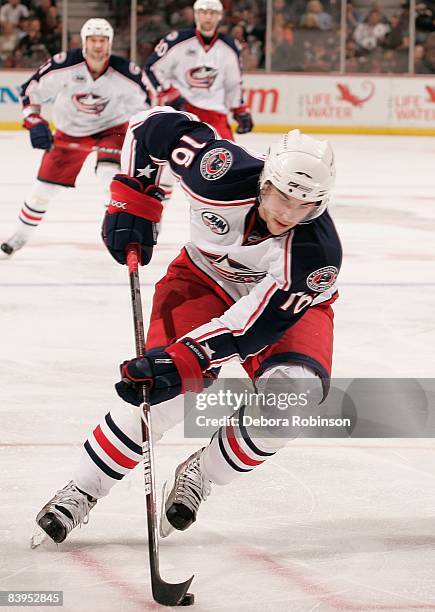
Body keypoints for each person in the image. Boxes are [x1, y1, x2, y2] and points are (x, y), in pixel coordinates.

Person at [31, 106, 342, 547]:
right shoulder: (219, 171)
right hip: (201, 278)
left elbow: (252, 327)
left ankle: (204, 473)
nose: (288, 213)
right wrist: (137, 194)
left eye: (305, 204)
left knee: (293, 399)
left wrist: (186, 357)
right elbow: (150, 126)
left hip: (284, 307)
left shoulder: (317, 255)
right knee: (165, 397)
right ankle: (83, 489)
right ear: (264, 181)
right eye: (280, 197)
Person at [1, 18, 151, 258]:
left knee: (109, 180)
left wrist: (144, 135)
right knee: (43, 191)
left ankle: (115, 233)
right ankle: (17, 238)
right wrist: (35, 122)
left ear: (110, 43)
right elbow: (31, 90)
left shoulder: (124, 70)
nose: (98, 46)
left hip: (111, 129)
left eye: (103, 40)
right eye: (93, 40)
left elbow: (147, 104)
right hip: (70, 131)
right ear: (84, 42)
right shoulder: (66, 64)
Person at [144, 0, 253, 141]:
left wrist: (239, 109)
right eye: (203, 12)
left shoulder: (230, 46)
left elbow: (233, 83)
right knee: (174, 156)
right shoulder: (176, 41)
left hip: (215, 114)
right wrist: (169, 93)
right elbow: (152, 68)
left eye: (212, 13)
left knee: (228, 157)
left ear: (220, 16)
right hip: (181, 111)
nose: (208, 17)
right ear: (196, 15)